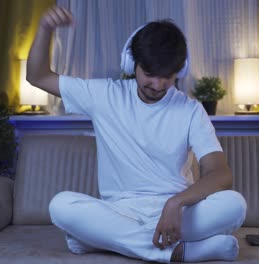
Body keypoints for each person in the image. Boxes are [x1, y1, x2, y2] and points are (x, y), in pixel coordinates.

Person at [27, 6, 247, 263]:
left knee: (235, 204)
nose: (157, 85)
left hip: (178, 213)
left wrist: (175, 204)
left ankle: (105, 241)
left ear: (180, 70)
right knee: (61, 206)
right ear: (133, 64)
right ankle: (183, 252)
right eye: (149, 74)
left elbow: (220, 173)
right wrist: (45, 28)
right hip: (120, 212)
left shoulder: (190, 110)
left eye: (167, 77)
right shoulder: (104, 95)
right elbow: (37, 76)